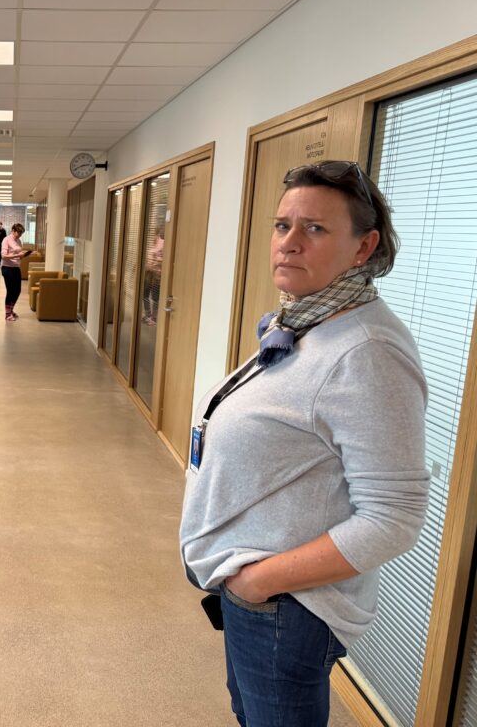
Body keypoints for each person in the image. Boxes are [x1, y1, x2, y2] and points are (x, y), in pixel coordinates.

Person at [180, 160, 428, 726]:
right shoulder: (309, 322)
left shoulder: (367, 353)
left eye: (314, 228)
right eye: (282, 225)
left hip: (287, 606)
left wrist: (258, 583)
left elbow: (394, 517)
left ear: (363, 247)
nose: (289, 243)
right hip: (256, 595)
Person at [0, 223, 30, 321]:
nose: (20, 235)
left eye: (21, 233)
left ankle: (11, 310)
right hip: (7, 268)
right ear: (13, 231)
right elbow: (4, 256)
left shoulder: (19, 241)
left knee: (17, 291)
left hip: (16, 267)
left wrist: (23, 255)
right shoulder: (6, 240)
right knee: (10, 291)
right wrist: (17, 255)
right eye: (18, 233)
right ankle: (7, 314)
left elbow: (18, 255)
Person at [142, 222, 164, 325]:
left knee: (155, 297)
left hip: (157, 274)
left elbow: (160, 258)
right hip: (149, 272)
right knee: (145, 294)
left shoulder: (163, 243)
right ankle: (148, 315)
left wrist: (155, 260)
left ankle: (154, 318)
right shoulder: (155, 241)